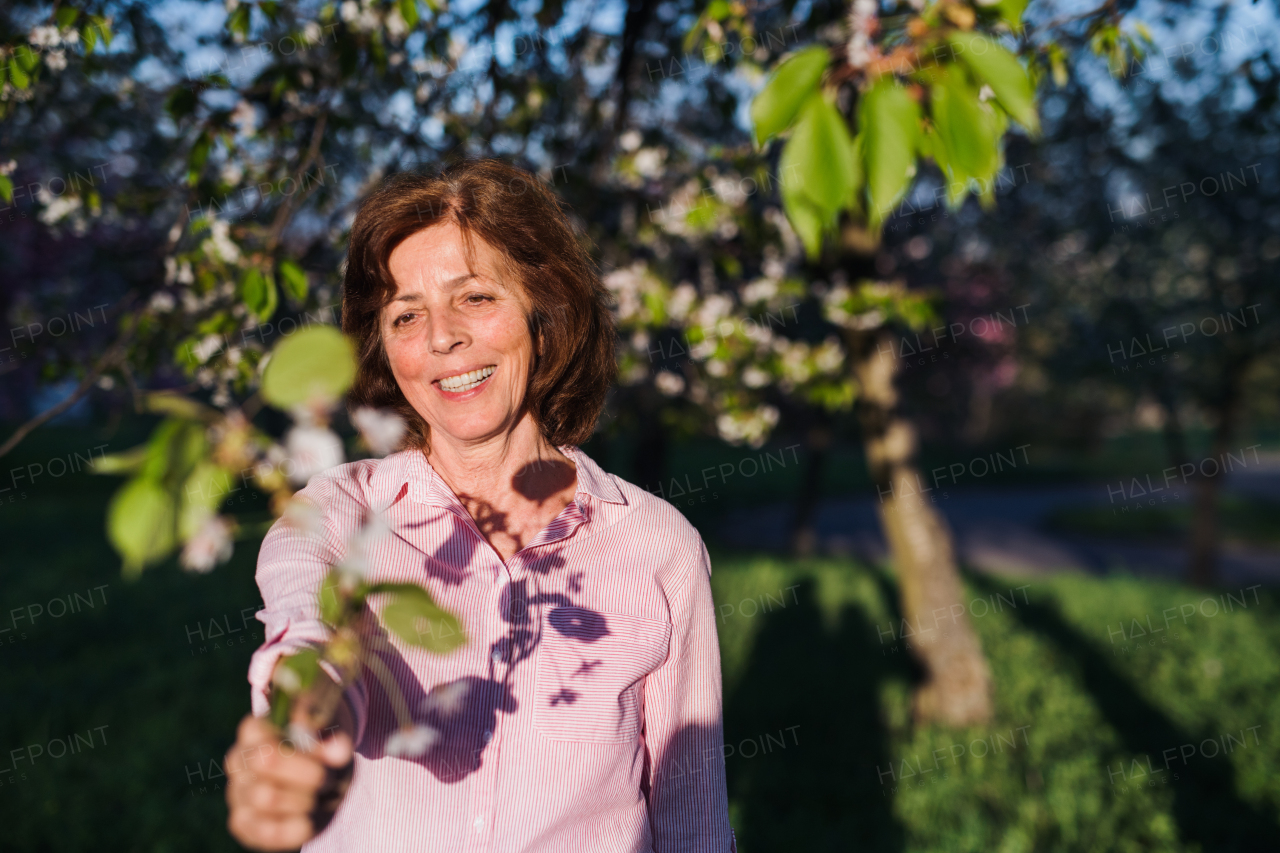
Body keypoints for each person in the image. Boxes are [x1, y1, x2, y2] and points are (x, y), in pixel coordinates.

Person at [224, 159, 736, 852]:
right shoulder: (337, 515)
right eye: (407, 314)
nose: (442, 337)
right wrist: (298, 731)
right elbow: (305, 637)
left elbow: (692, 815)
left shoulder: (657, 545)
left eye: (474, 298)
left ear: (542, 310)